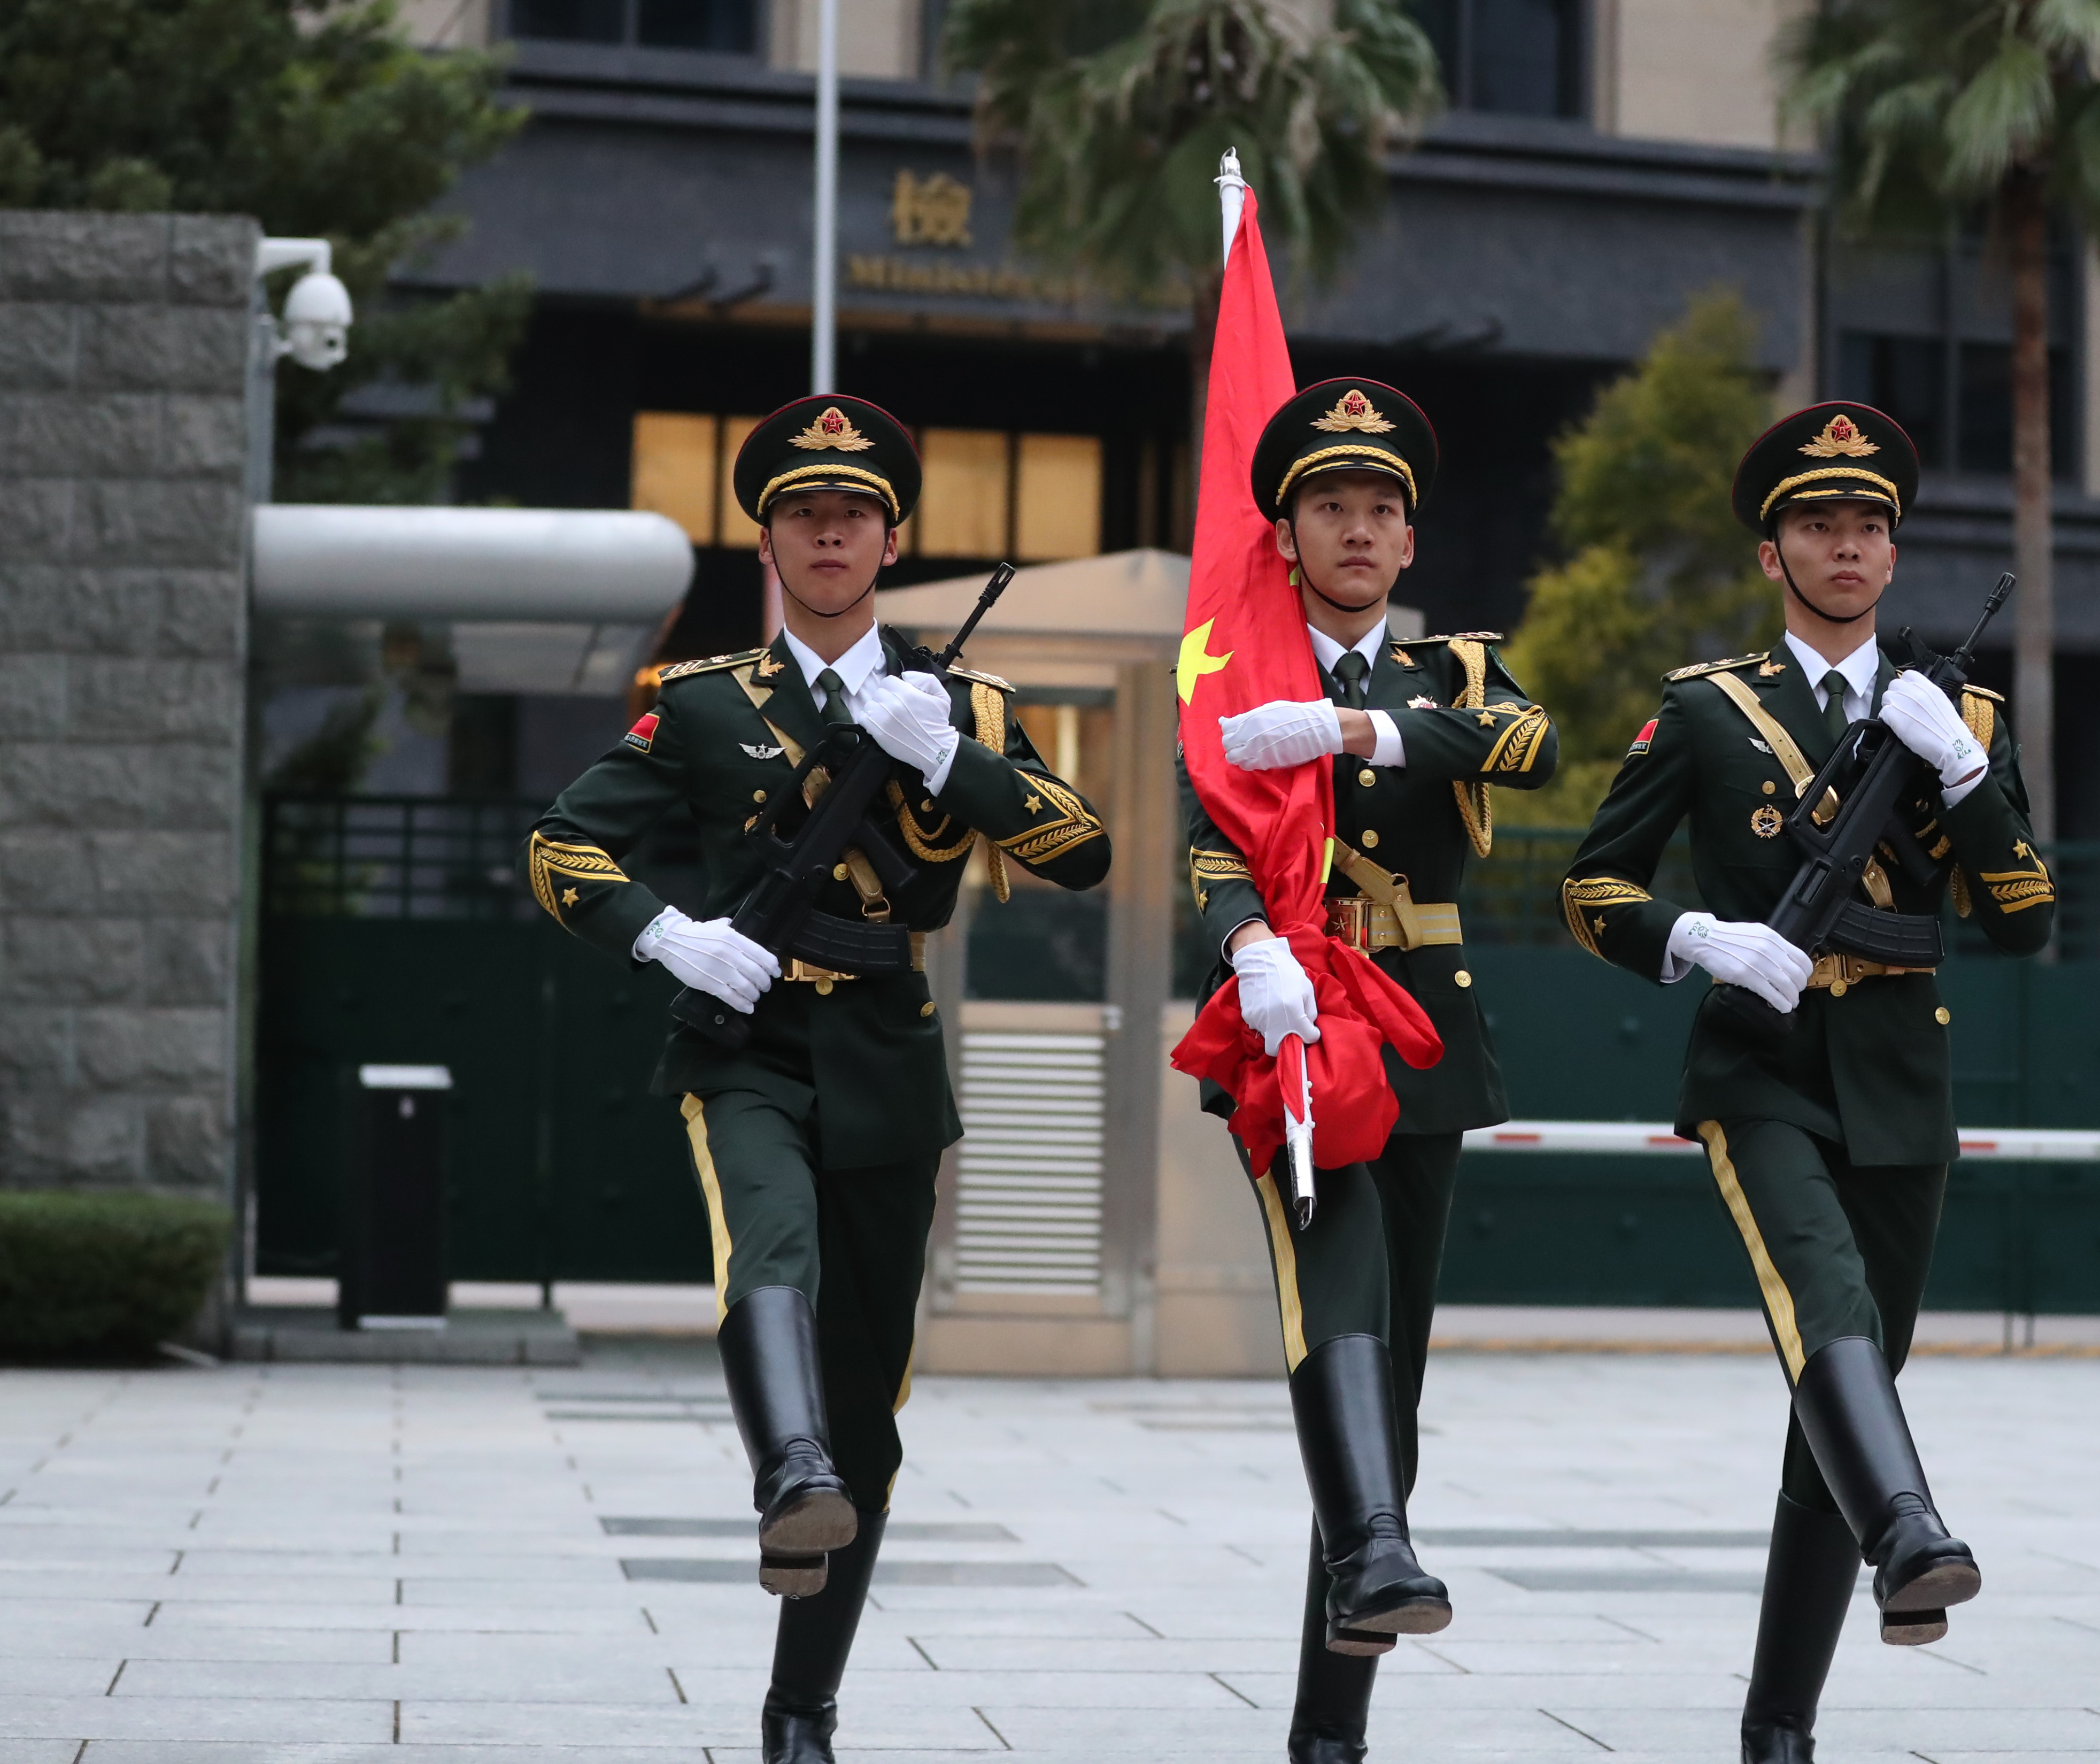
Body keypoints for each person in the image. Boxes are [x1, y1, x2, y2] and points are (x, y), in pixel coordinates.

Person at [525, 394, 1110, 1764]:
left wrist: (946, 757)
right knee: (767, 1247)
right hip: (750, 1047)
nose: (829, 533)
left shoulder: (961, 699)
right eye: (804, 515)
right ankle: (784, 1469)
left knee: (871, 1409)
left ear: (891, 539)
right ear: (770, 545)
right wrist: (674, 937)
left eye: (853, 515)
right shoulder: (707, 703)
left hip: (890, 1054)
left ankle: (804, 1707)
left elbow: (1082, 848)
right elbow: (565, 847)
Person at [1559, 402, 2053, 1763]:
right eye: (1819, 525)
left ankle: (1780, 1729)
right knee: (1824, 1305)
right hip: (1762, 1069)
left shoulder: (1966, 714)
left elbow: (2023, 918)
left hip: (1902, 1074)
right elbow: (1592, 886)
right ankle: (1910, 1529)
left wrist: (1961, 772)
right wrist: (1697, 941)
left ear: (1894, 555)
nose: (1848, 546)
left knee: (1851, 1387)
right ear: (1772, 553)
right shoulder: (1708, 709)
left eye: (1870, 526)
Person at [1180, 379, 1557, 1764]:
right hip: (1291, 1023)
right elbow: (1207, 847)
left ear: (1407, 543)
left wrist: (1356, 731)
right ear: (1284, 534)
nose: (1355, 526)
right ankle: (1382, 1548)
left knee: (1385, 1382)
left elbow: (1531, 745)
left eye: (1378, 508)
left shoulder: (1452, 671)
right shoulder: (1233, 676)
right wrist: (1243, 948)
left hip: (1419, 1037)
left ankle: (1329, 1723)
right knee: (1332, 1276)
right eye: (1327, 505)